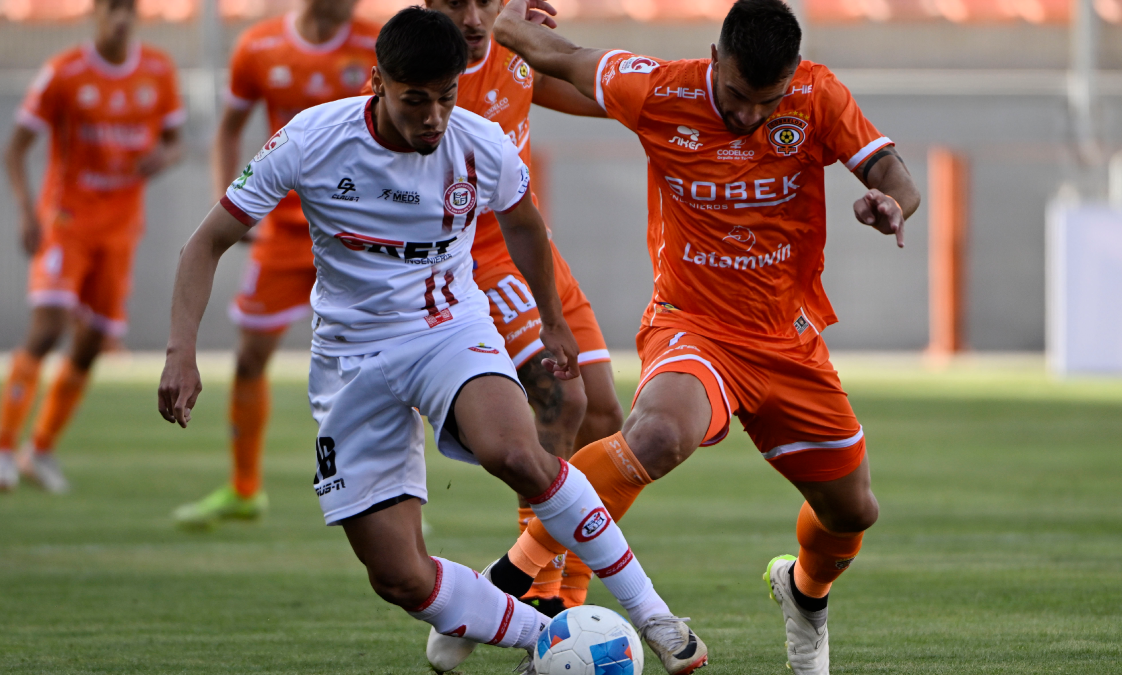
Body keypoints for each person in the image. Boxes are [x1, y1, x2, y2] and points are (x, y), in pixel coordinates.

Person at [155, 8, 705, 674]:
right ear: (377, 83)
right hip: (350, 359)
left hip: (448, 329)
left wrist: (552, 318)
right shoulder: (311, 138)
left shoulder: (478, 142)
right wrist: (180, 352)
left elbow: (524, 226)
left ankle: (654, 616)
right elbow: (205, 243)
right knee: (399, 576)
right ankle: (545, 636)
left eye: (446, 97)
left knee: (517, 451)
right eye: (416, 100)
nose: (434, 117)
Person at [481, 0, 922, 673]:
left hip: (786, 340)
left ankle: (804, 593)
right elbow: (557, 56)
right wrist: (509, 19)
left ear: (792, 76)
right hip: (693, 326)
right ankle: (510, 577)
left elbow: (890, 170)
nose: (749, 115)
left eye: (767, 102)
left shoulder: (817, 94)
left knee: (852, 512)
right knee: (658, 434)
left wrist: (893, 203)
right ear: (715, 59)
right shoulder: (660, 89)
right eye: (737, 95)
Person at [407, 0, 623, 617]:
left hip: (531, 249)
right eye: (456, 2)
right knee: (561, 398)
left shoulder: (515, 51)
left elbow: (594, 96)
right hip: (473, 257)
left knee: (603, 417)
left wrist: (557, 53)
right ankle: (537, 597)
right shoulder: (416, 77)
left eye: (487, 0)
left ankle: (565, 602)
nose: (474, 18)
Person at [171, 0, 381, 527]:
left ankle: (391, 498)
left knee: (385, 364)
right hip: (284, 232)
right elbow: (229, 129)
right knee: (249, 358)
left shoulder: (379, 41)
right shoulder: (259, 47)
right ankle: (244, 489)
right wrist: (232, 202)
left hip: (360, 232)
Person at [0, 0, 185, 494]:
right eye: (112, 8)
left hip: (120, 228)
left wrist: (164, 156)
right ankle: (2, 451)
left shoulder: (158, 71)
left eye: (128, 9)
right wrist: (26, 211)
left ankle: (39, 450)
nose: (121, 18)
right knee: (48, 326)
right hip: (66, 220)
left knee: (93, 342)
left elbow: (175, 140)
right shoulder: (64, 72)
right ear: (94, 14)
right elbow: (15, 148)